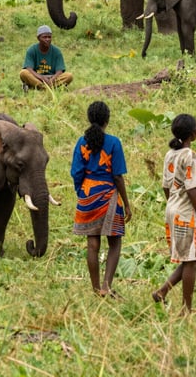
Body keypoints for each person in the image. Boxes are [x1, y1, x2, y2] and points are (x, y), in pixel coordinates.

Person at [71, 100, 132, 297]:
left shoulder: (82, 142)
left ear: (89, 118)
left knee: (92, 243)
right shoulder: (114, 143)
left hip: (87, 194)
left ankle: (96, 288)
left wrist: (82, 192)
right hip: (108, 195)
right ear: (107, 120)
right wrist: (127, 204)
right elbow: (117, 176)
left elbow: (76, 172)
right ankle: (106, 286)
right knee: (114, 241)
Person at [153, 113, 196, 314]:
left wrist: (173, 201)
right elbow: (192, 188)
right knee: (191, 260)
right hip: (186, 212)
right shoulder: (190, 156)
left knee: (192, 258)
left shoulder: (170, 154)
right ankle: (186, 308)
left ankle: (162, 291)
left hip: (172, 208)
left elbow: (166, 186)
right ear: (193, 134)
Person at [19, 24, 73, 90]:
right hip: (37, 77)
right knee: (23, 73)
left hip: (52, 77)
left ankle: (39, 87)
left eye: (49, 37)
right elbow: (29, 68)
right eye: (44, 37)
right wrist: (41, 78)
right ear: (38, 38)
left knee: (69, 76)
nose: (47, 39)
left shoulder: (57, 51)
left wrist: (52, 79)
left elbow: (60, 71)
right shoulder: (32, 50)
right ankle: (44, 87)